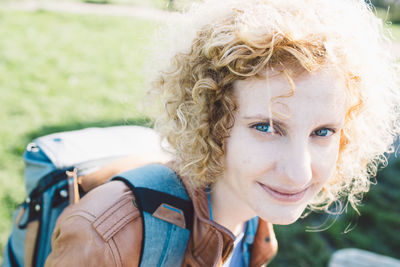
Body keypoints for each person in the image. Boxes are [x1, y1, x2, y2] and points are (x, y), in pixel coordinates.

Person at [45, 0, 400, 266]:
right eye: (266, 127)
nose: (299, 173)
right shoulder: (105, 237)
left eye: (323, 132)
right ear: (212, 121)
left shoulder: (254, 213)